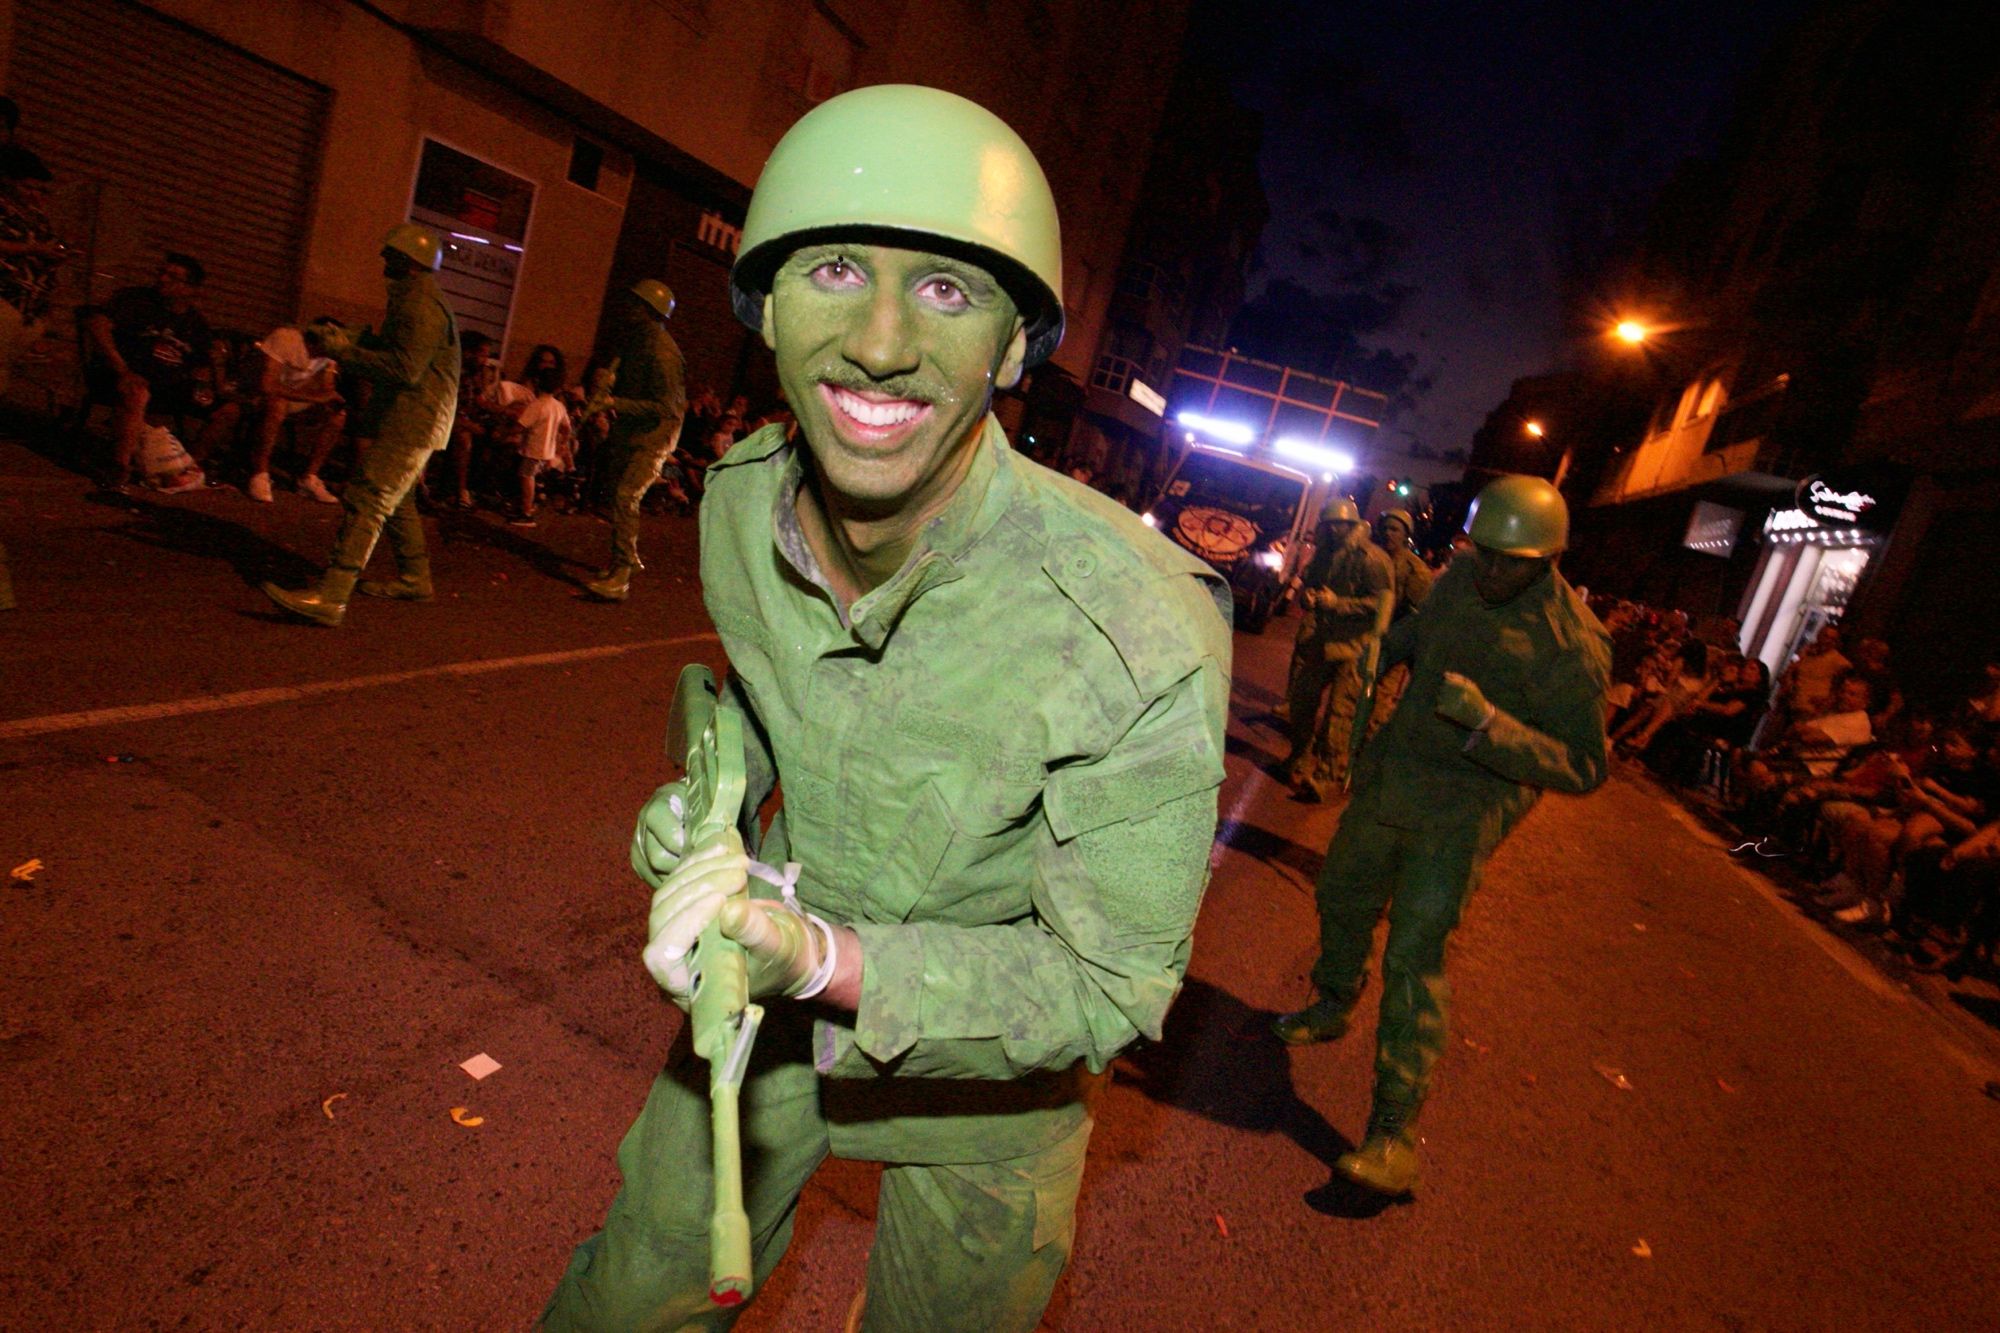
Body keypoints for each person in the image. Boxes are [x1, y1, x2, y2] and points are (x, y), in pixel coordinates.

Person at [542, 84, 1232, 1333]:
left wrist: (825, 959)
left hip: (993, 1068)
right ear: (760, 308)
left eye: (948, 290)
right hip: (764, 1000)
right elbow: (756, 705)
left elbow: (1106, 983)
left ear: (1016, 348)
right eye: (836, 270)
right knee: (628, 1304)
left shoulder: (1134, 627)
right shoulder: (739, 502)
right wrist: (704, 821)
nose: (874, 343)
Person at [1272, 474, 1609, 1196]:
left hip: (1465, 808)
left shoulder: (1571, 641)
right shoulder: (1460, 581)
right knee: (1343, 892)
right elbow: (1417, 632)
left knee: (1414, 953)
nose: (1486, 569)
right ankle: (1333, 1000)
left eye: (1505, 561)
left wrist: (1492, 724)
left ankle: (1393, 1134)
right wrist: (1382, 650)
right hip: (1396, 773)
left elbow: (1584, 764)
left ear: (1547, 558)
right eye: (1479, 551)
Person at [260, 224, 458, 626]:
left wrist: (343, 352)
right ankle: (415, 578)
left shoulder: (419, 305)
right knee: (397, 500)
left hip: (414, 417)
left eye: (391, 255)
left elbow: (405, 368)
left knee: (369, 496)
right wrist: (350, 338)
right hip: (416, 417)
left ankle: (332, 595)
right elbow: (397, 351)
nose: (384, 261)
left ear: (410, 262)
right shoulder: (414, 300)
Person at [1280, 496, 1393, 800]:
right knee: (1302, 702)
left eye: (1338, 525)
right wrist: (1308, 598)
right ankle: (1299, 758)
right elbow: (1311, 585)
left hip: (1355, 645)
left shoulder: (1371, 559)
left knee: (1340, 715)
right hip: (1323, 640)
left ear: (1351, 525)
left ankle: (1328, 774)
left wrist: (1338, 604)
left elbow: (1382, 603)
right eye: (1328, 525)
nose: (1332, 531)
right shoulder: (1324, 555)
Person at [580, 279, 686, 601]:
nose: (628, 309)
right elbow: (620, 371)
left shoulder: (662, 352)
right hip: (635, 429)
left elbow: (664, 407)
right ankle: (623, 561)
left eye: (636, 305)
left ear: (649, 312)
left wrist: (615, 403)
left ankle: (622, 575)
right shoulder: (637, 339)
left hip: (655, 435)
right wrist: (607, 378)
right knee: (618, 494)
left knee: (627, 496)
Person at [81, 252, 214, 488]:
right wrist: (122, 369)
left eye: (173, 277)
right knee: (137, 391)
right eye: (161, 273)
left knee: (228, 409)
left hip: (169, 383)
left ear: (191, 288)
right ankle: (119, 468)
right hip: (123, 373)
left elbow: (202, 364)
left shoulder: (197, 324)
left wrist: (203, 387)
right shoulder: (136, 300)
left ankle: (188, 464)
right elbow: (96, 324)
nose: (163, 279)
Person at [245, 321, 347, 503]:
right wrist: (316, 397)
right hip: (259, 395)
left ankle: (309, 477)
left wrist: (329, 395)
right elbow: (267, 385)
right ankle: (259, 472)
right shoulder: (286, 339)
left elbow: (326, 387)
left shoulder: (327, 354)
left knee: (338, 415)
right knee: (278, 405)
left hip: (296, 398)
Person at [0, 143, 66, 400]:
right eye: (28, 188)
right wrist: (34, 248)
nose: (35, 196)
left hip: (27, 309)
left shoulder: (38, 219)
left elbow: (43, 255)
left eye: (40, 190)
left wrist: (57, 254)